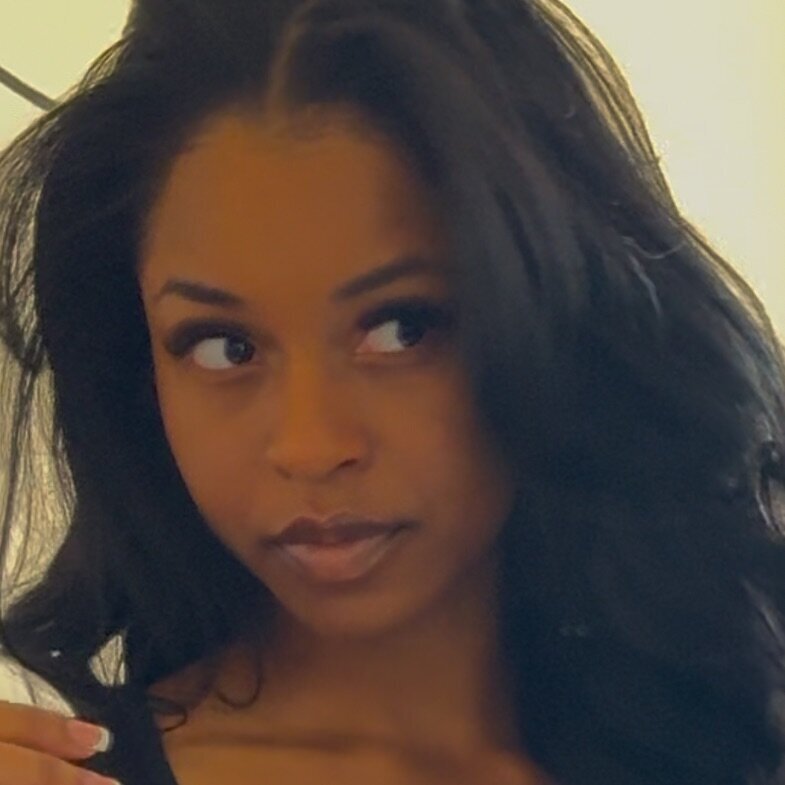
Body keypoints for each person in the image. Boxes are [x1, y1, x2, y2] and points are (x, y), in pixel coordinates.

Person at [1, 0, 784, 783]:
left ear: (552, 313)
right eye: (223, 347)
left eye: (401, 329)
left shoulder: (733, 732)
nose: (309, 446)